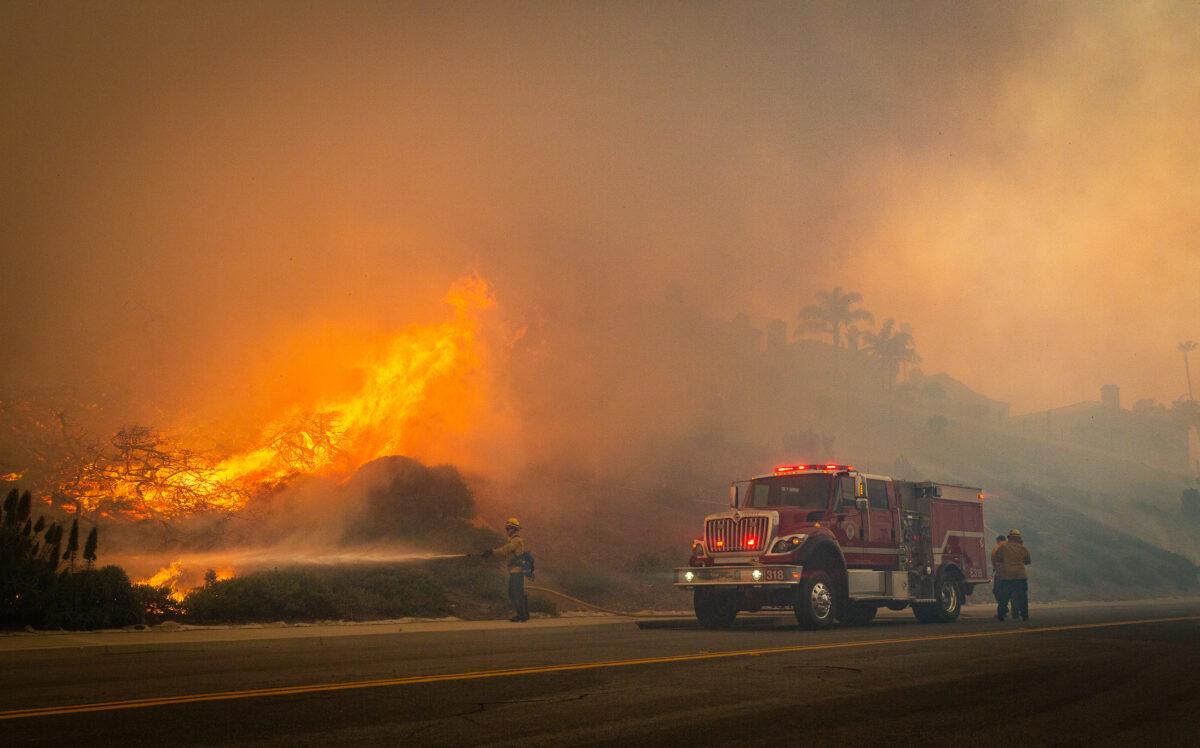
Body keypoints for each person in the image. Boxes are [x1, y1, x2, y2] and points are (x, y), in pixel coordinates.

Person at [483, 517, 529, 622]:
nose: (507, 531)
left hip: (517, 572)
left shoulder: (517, 540)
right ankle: (524, 615)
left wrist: (492, 552)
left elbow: (505, 550)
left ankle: (521, 615)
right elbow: (506, 552)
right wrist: (491, 553)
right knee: (518, 592)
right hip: (515, 571)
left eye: (509, 528)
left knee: (513, 593)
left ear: (514, 529)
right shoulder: (513, 540)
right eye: (507, 528)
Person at [992, 529, 1031, 621]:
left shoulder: (1003, 547)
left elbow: (998, 558)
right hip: (1020, 576)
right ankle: (1024, 615)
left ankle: (1001, 615)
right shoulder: (1023, 548)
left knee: (1004, 597)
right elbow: (1028, 561)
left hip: (1007, 576)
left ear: (1009, 537)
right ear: (1019, 538)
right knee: (1022, 597)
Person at [991, 535, 1013, 618]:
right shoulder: (1011, 548)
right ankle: (1015, 612)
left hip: (1000, 574)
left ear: (997, 541)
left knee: (997, 591)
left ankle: (1003, 609)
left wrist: (995, 569)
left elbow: (994, 562)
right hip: (1012, 573)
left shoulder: (996, 549)